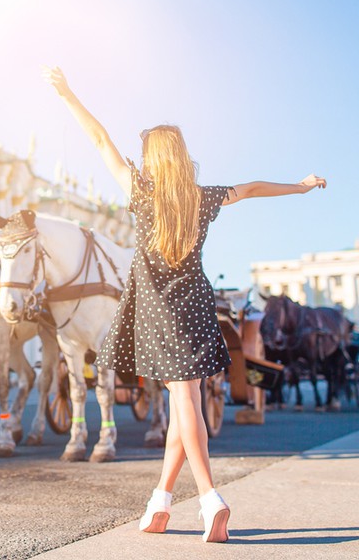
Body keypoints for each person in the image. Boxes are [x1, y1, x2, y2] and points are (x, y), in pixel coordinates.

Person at [44, 65, 326, 544]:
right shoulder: (202, 197)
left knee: (183, 401)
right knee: (185, 403)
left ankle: (211, 497)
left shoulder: (140, 191)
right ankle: (160, 501)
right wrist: (298, 187)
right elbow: (254, 188)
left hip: (157, 307)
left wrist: (69, 95)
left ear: (152, 160)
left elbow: (97, 138)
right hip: (196, 301)